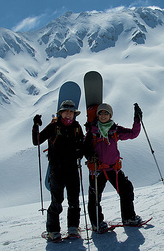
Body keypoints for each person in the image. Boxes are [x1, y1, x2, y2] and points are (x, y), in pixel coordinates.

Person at [85, 103, 143, 233]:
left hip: (113, 169)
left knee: (126, 189)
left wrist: (137, 119)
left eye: (106, 113)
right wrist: (90, 155)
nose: (103, 115)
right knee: (95, 198)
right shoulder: (92, 131)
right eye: (101, 113)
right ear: (98, 115)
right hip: (97, 170)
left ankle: (128, 217)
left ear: (110, 115)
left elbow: (133, 133)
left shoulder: (115, 129)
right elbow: (85, 147)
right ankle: (97, 223)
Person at [32, 100, 84, 241]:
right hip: (57, 170)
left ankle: (73, 228)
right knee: (57, 201)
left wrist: (81, 151)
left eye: (71, 112)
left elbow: (82, 143)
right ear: (60, 113)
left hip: (72, 168)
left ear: (74, 114)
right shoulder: (53, 126)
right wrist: (36, 126)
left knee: (74, 200)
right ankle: (53, 230)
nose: (69, 114)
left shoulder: (77, 127)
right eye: (66, 111)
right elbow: (36, 141)